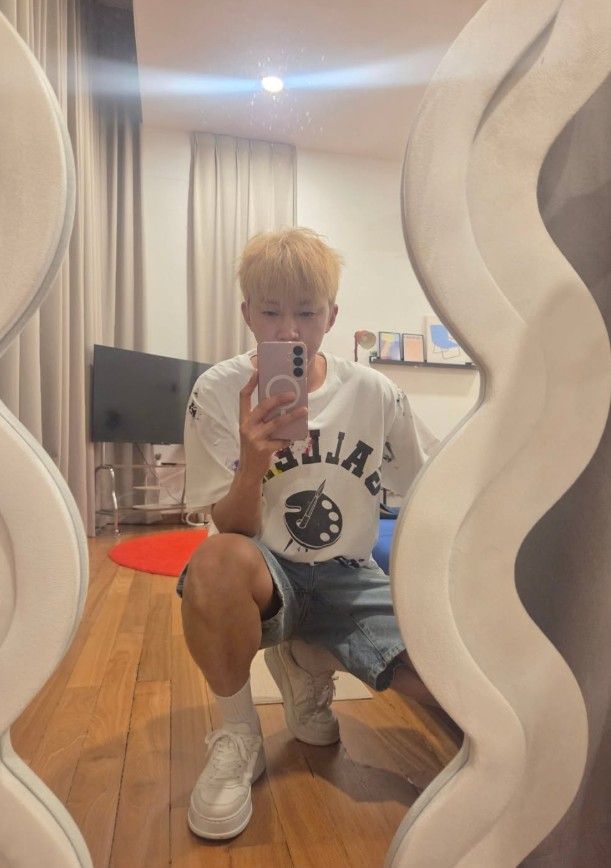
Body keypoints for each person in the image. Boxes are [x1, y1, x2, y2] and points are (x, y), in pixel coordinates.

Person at [178, 227, 438, 841]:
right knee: (214, 563)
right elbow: (230, 529)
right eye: (271, 313)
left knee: (447, 683)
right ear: (247, 314)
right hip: (267, 572)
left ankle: (304, 661)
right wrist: (251, 462)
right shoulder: (217, 391)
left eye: (307, 312)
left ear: (333, 316)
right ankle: (238, 734)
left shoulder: (375, 392)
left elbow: (427, 487)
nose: (290, 331)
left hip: (349, 574)